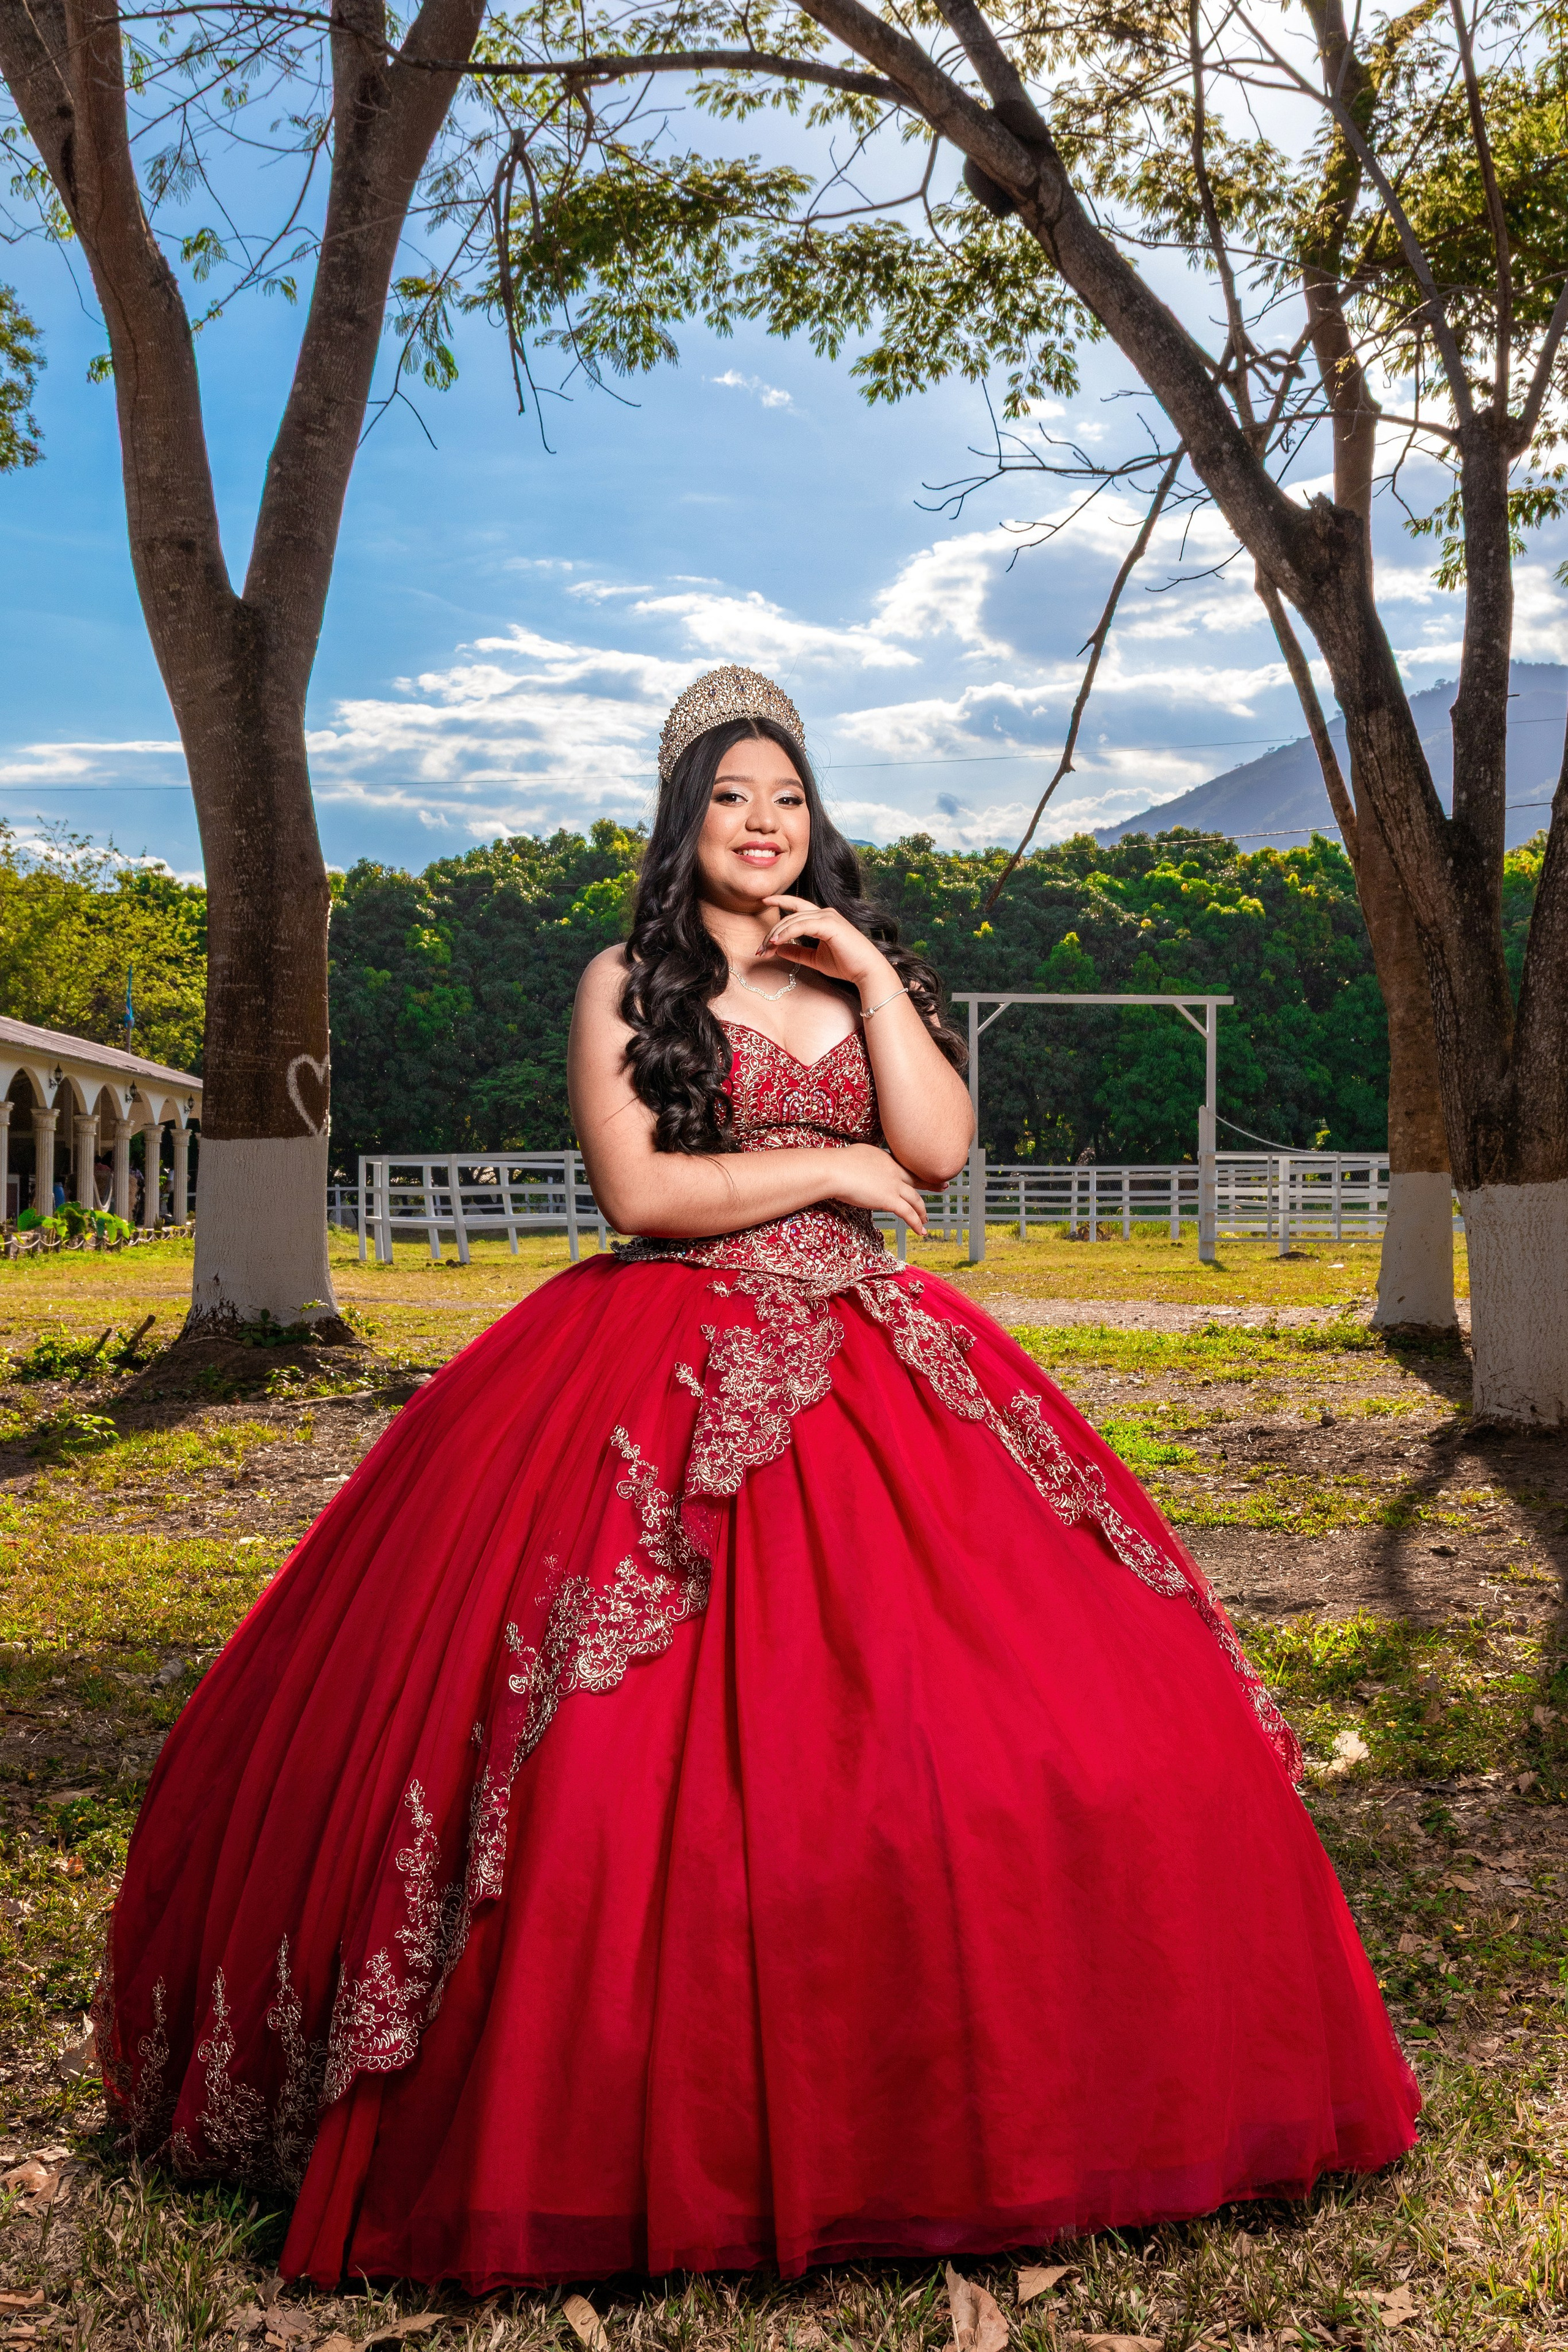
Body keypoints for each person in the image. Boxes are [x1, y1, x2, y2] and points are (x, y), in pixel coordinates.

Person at [96, 666, 1419, 2290]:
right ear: (683, 819)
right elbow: (640, 1190)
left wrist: (863, 974)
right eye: (731, 797)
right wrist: (829, 1164)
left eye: (787, 797)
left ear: (818, 818)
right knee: (597, 1749)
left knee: (1024, 1714)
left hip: (876, 1345)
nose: (764, 823)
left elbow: (933, 1150)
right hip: (659, 1346)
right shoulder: (621, 981)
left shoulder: (864, 971)